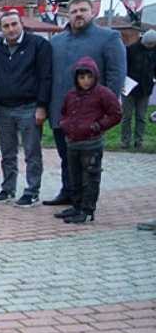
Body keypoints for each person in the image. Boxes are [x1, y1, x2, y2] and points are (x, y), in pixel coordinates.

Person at [46, 0, 127, 207]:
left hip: (90, 113)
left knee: (87, 161)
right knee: (66, 156)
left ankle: (84, 201)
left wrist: (105, 108)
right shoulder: (56, 41)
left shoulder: (109, 37)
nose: (78, 14)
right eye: (73, 11)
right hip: (60, 110)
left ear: (93, 13)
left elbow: (116, 74)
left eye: (83, 10)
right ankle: (68, 191)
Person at [0, 11, 52, 207]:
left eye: (13, 24)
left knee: (32, 152)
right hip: (3, 108)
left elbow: (46, 77)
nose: (10, 29)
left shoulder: (39, 45)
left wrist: (42, 106)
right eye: (6, 26)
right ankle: (8, 188)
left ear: (21, 24)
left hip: (29, 106)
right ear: (1, 29)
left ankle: (32, 191)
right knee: (7, 153)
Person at [54, 57, 121, 223]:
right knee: (74, 176)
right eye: (81, 77)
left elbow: (116, 114)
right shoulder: (71, 95)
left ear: (95, 77)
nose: (85, 81)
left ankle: (87, 210)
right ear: (76, 78)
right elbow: (64, 112)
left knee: (90, 178)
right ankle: (76, 206)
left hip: (91, 143)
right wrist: (65, 124)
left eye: (89, 77)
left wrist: (97, 126)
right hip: (72, 142)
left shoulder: (103, 93)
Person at [122, 30, 155, 149]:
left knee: (141, 117)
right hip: (129, 88)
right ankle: (125, 141)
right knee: (127, 116)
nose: (150, 47)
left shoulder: (154, 51)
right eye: (149, 45)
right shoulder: (131, 50)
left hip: (145, 89)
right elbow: (123, 67)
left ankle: (138, 142)